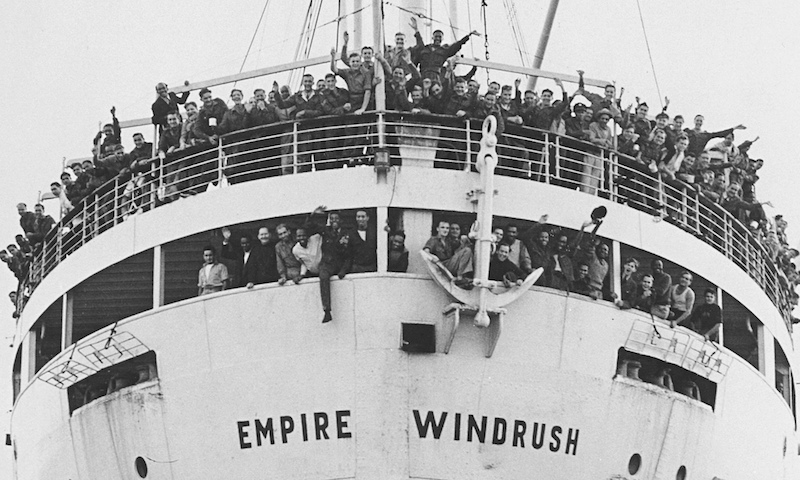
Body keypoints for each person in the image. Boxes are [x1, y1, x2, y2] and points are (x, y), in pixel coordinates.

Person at [305, 206, 353, 323]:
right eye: (332, 219)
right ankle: (327, 310)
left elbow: (349, 255)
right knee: (323, 276)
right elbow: (309, 227)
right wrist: (313, 214)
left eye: (336, 219)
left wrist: (344, 270)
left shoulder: (346, 233)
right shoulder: (326, 230)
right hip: (327, 264)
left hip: (340, 264)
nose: (334, 221)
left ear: (341, 220)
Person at [409, 17, 480, 81]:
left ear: (442, 39)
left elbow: (457, 45)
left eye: (439, 37)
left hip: (436, 77)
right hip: (423, 75)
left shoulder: (445, 51)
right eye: (436, 36)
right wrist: (416, 29)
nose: (437, 38)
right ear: (432, 37)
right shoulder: (425, 49)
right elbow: (419, 42)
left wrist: (468, 35)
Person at [423, 219, 473, 286]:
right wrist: (433, 258)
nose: (445, 230)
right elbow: (425, 252)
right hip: (441, 266)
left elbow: (462, 246)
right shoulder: (433, 240)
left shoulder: (449, 241)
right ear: (437, 229)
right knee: (467, 250)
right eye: (442, 227)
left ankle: (462, 277)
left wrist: (465, 238)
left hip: (449, 265)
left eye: (447, 228)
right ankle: (460, 277)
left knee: (467, 250)